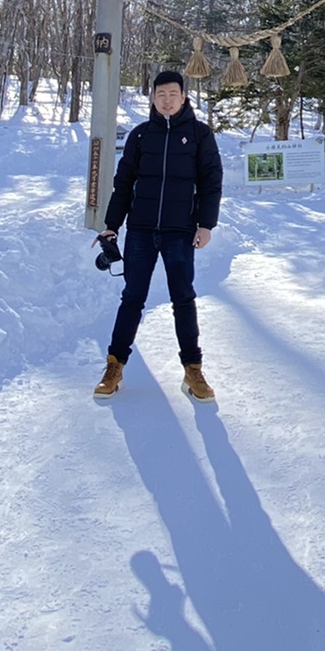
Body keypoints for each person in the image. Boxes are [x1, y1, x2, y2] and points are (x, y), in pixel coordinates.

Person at [93, 69, 225, 402]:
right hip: (141, 230)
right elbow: (122, 184)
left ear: (184, 97)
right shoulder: (140, 136)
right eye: (160, 95)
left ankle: (193, 369)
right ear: (153, 98)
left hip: (180, 232)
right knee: (132, 297)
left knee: (183, 298)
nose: (166, 101)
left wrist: (206, 224)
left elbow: (211, 183)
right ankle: (114, 365)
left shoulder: (199, 135)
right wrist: (112, 224)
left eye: (172, 94)